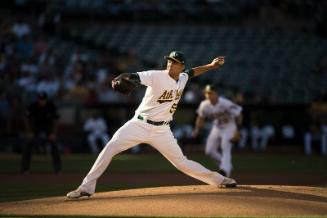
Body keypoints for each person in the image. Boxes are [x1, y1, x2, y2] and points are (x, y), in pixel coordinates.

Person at [67, 51, 237, 199]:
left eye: (175, 62)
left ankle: (220, 180)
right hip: (138, 125)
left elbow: (193, 72)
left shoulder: (183, 77)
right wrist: (120, 77)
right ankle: (85, 188)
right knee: (110, 148)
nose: (170, 64)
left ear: (181, 66)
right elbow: (133, 76)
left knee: (182, 163)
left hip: (162, 130)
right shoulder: (156, 76)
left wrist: (211, 65)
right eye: (169, 61)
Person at [192, 85, 243, 177]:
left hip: (229, 127)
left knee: (225, 147)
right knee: (209, 151)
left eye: (210, 93)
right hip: (217, 127)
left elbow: (239, 114)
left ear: (216, 93)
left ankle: (225, 171)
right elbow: (200, 117)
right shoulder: (204, 104)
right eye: (206, 93)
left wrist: (238, 131)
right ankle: (226, 165)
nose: (208, 95)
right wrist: (197, 129)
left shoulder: (225, 103)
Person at [21, 92, 61, 174]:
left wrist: (53, 133)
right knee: (28, 144)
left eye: (43, 100)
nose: (42, 101)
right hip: (35, 128)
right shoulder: (33, 105)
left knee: (54, 145)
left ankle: (57, 169)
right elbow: (26, 118)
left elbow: (56, 120)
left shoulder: (51, 106)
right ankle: (25, 169)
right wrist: (29, 132)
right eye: (40, 99)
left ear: (46, 99)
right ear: (38, 99)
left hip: (48, 128)